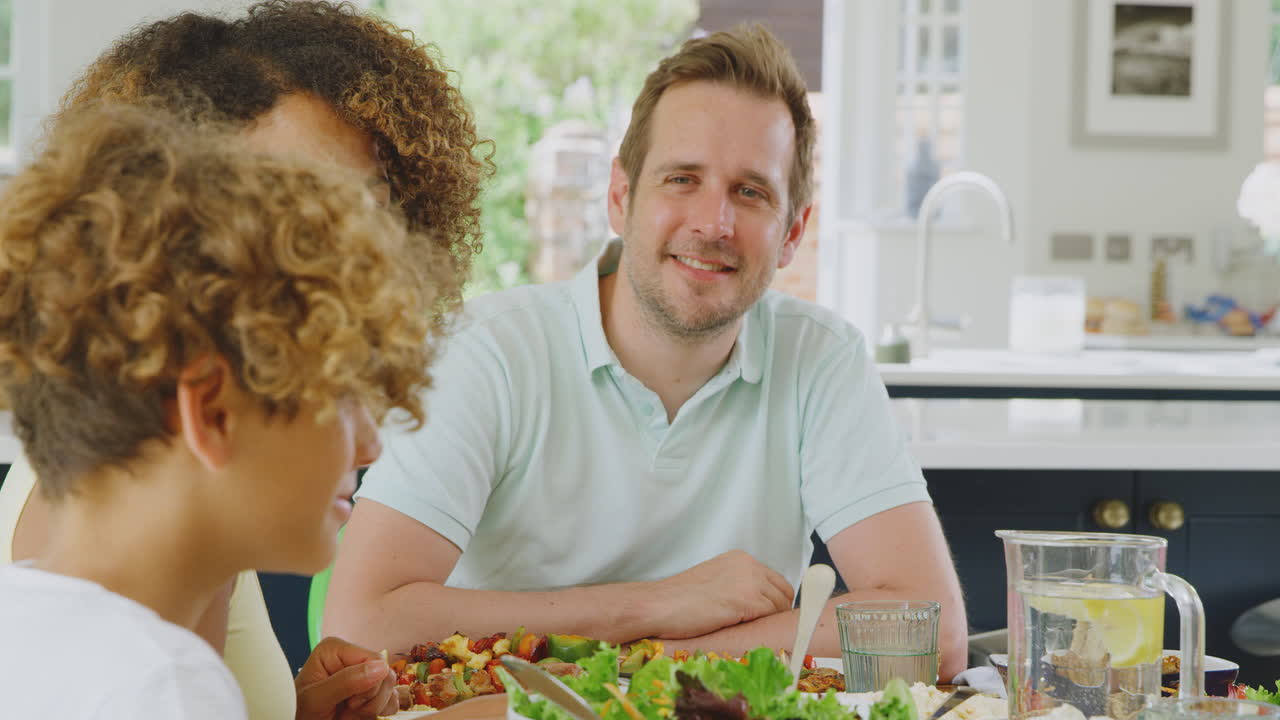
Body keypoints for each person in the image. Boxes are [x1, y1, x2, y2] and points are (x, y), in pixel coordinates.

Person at [326, 24, 969, 680]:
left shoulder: (821, 359)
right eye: (682, 178)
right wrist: (660, 602)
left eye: (751, 192)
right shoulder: (489, 354)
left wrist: (656, 658)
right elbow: (360, 624)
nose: (713, 222)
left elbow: (932, 632)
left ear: (792, 233)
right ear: (620, 196)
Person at [0, 1, 488, 717]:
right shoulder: (150, 661)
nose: (338, 240)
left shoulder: (134, 572)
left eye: (369, 207)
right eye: (293, 200)